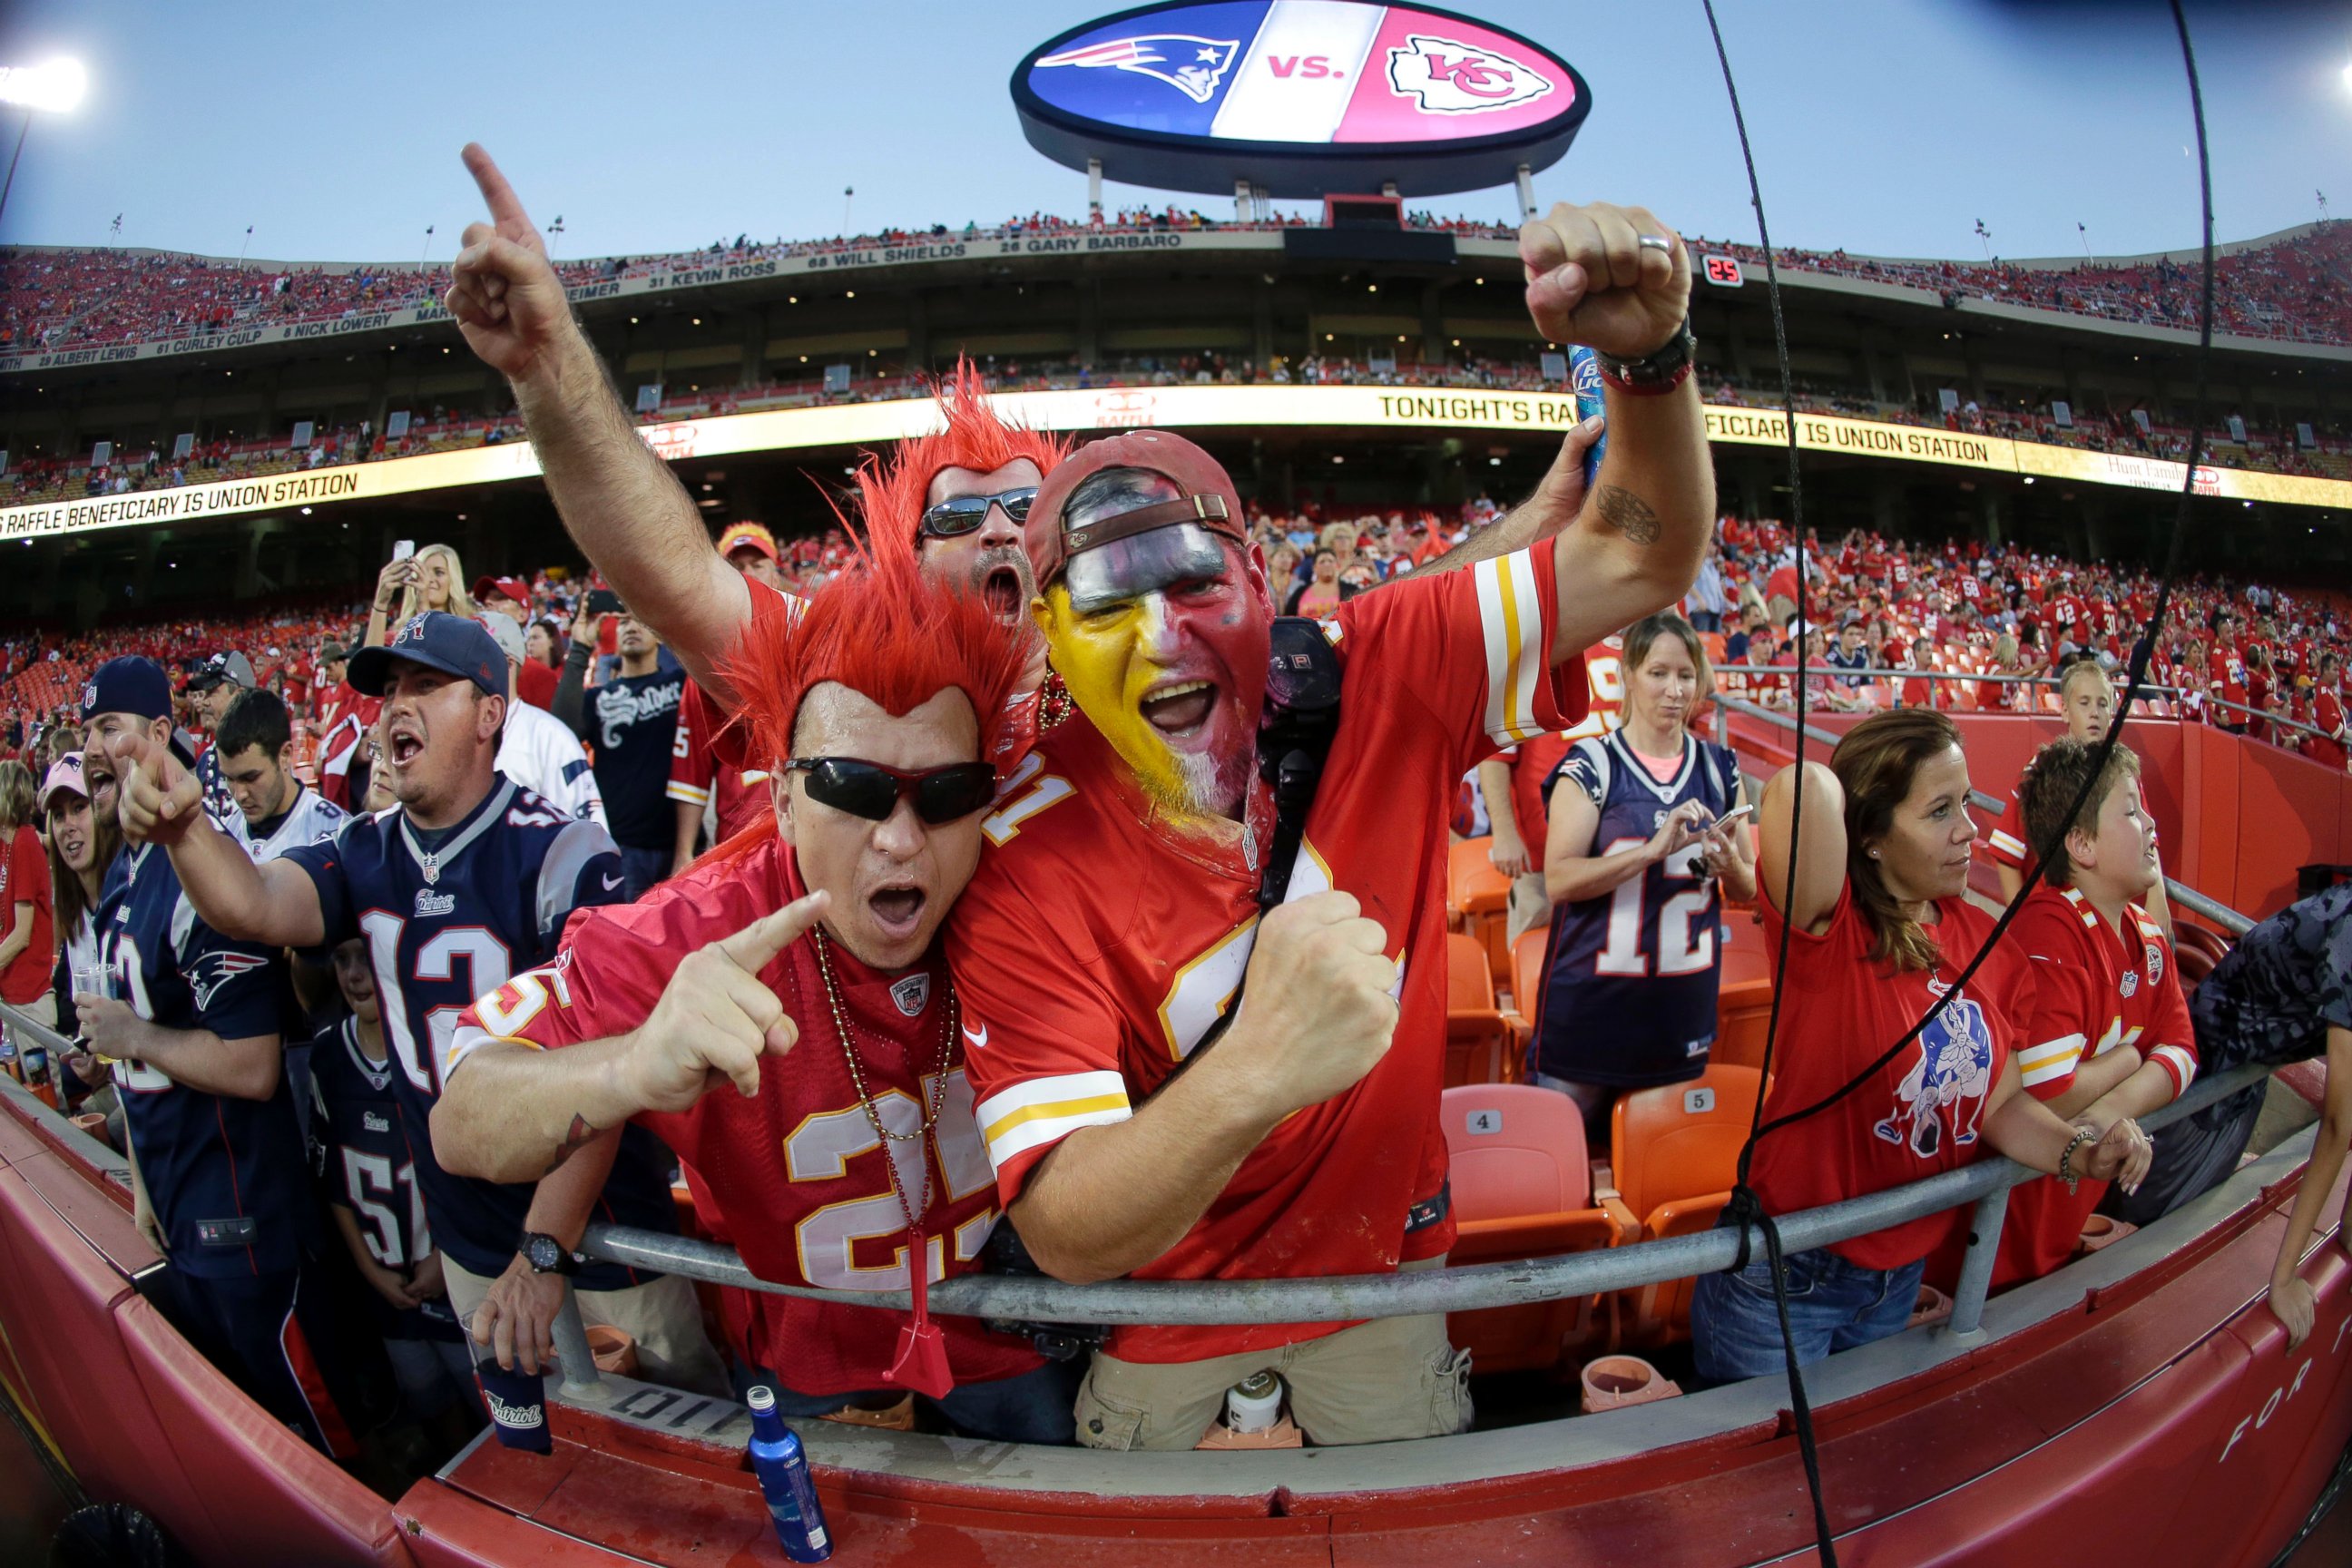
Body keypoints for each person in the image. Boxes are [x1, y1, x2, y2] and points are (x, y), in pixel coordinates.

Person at [446, 152, 1712, 1446]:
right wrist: (550, 375)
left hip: (1055, 1328)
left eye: (943, 792)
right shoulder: (835, 784)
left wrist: (1574, 467)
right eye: (964, 515)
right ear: (796, 739)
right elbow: (671, 578)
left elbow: (1322, 650)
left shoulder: (1207, 696)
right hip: (878, 1329)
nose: (1001, 530)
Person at [947, 204, 1716, 1445]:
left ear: (1263, 583)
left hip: (1383, 1295)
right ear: (1046, 638)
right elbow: (1068, 1227)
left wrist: (1649, 364)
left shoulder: (1383, 667)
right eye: (1104, 606)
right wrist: (1261, 1064)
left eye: (1194, 580)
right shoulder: (1024, 852)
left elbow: (1643, 549)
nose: (1163, 637)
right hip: (1167, 1325)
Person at [434, 535, 1079, 1441]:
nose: (898, 840)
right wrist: (626, 1071)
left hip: (1008, 1346)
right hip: (806, 1358)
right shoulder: (704, 930)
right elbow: (464, 1116)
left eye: (946, 791)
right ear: (779, 800)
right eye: (853, 789)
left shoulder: (1037, 896)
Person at [107, 613, 725, 1397]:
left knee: (675, 1469)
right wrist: (187, 828)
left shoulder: (563, 854)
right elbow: (256, 904)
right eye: (389, 689)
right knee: (530, 1461)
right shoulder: (362, 850)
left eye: (426, 685)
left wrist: (543, 1254)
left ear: (490, 713)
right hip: (468, 1243)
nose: (397, 706)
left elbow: (607, 1075)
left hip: (598, 1243)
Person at [1688, 709, 2152, 1384]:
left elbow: (2001, 1105)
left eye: (1967, 802)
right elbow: (1801, 790)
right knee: (1762, 1480)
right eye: (1940, 811)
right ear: (1872, 837)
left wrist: (2080, 1150)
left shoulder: (1992, 948)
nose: (1971, 830)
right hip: (1787, 1275)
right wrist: (1845, 796)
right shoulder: (1829, 926)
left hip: (1899, 1275)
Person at [74, 657, 354, 1455]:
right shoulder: (126, 873)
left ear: (162, 735)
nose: (96, 749)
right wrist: (143, 1187)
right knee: (247, 1428)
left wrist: (136, 1038)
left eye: (111, 729)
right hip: (180, 1199)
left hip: (241, 1215)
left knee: (313, 1436)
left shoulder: (196, 872)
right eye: (87, 730)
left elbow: (252, 1064)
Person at [1533, 613, 1753, 1141]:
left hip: (1679, 1014)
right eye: (1658, 673)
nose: (1674, 690)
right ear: (1629, 674)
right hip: (1592, 1012)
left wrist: (1732, 868)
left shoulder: (1722, 768)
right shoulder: (1593, 763)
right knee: (1563, 1177)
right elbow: (1560, 881)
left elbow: (1749, 890)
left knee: (1668, 1179)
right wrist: (1650, 852)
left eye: (1685, 675)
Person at [1988, 739, 2194, 1287]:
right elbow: (2049, 1091)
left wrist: (2109, 1112)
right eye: (2131, 810)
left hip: (2062, 1216)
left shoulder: (2146, 932)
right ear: (2080, 844)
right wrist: (2130, 1058)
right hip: (1997, 1238)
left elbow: (2183, 1053)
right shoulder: (2048, 929)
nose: (2151, 823)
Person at [2106, 879, 2352, 1232]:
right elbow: (2337, 1124)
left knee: (2178, 1222)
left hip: (2244, 1083)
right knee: (2135, 1219)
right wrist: (2283, 1280)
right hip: (2199, 1082)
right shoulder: (2348, 930)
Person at [309, 937, 478, 1438]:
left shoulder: (437, 1046)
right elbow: (332, 1181)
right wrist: (368, 1270)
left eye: (366, 958)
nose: (355, 975)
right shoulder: (327, 1054)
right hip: (384, 1282)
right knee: (428, 1399)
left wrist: (445, 1259)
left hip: (449, 1274)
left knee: (484, 1400)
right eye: (342, 960)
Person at [1984, 659, 2173, 938]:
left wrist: (2158, 897)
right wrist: (2021, 920)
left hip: (2107, 921)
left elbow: (2148, 837)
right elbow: (2007, 854)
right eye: (2084, 703)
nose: (2094, 714)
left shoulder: (2122, 771)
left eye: (2102, 704)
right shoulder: (2040, 770)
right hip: (2056, 923)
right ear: (2064, 711)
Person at [555, 608, 682, 898]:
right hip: (619, 843)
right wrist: (580, 649)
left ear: (660, 635)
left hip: (678, 843)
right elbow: (561, 730)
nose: (631, 626)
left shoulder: (680, 685)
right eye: (623, 621)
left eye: (641, 619)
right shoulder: (598, 697)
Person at [39, 752, 120, 1124]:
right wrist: (89, 1052)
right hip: (119, 1087)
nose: (68, 825)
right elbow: (86, 1021)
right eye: (58, 816)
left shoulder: (133, 892)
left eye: (78, 808)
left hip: (162, 1100)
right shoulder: (73, 914)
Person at [475, 611, 606, 827]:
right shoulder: (446, 734)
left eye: (470, 662)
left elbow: (591, 842)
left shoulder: (551, 738)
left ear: (507, 664)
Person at [215, 689, 348, 863]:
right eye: (230, 779)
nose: (240, 795)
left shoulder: (336, 831)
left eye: (250, 778)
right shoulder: (225, 833)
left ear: (285, 755)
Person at [0, 759, 53, 1031]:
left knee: (38, 1075)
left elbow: (22, 934)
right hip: (11, 994)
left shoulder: (25, 843)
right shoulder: (6, 845)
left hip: (31, 999)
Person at [185, 650, 257, 829]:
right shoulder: (207, 758)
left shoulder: (267, 754)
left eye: (211, 692)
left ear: (238, 696)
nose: (205, 702)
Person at [474, 576, 557, 710]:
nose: (487, 601)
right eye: (486, 599)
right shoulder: (466, 660)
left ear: (522, 615)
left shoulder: (539, 676)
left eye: (500, 597)